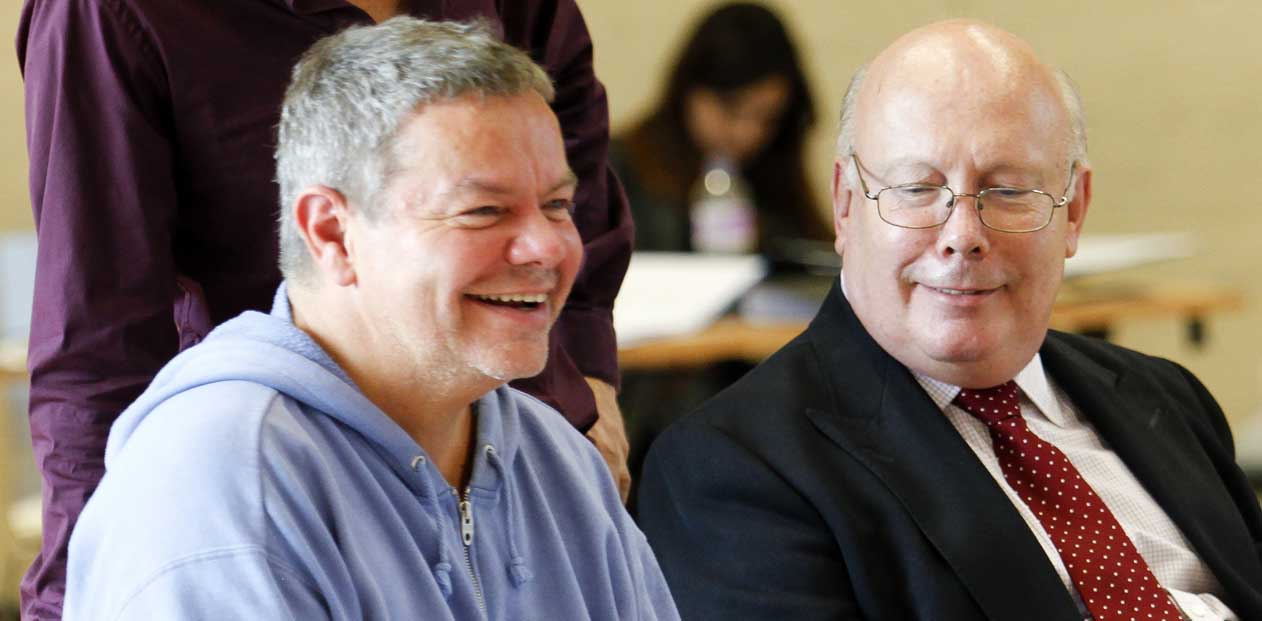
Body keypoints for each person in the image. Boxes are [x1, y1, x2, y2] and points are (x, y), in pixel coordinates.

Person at [16, 0, 632, 616]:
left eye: (556, 207)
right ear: (331, 234)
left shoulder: (560, 465)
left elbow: (572, 170)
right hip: (277, 457)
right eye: (483, 210)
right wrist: (84, 591)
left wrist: (587, 390)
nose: (547, 242)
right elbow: (97, 342)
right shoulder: (227, 492)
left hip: (506, 441)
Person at [637, 19, 1262, 620]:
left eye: (1009, 190)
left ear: (1073, 211)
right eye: (915, 188)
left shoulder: (1169, 399)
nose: (963, 236)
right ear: (846, 207)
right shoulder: (733, 471)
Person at [610, 1, 828, 254]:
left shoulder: (774, 173)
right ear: (687, 90)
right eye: (730, 108)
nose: (745, 133)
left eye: (767, 117)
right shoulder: (619, 169)